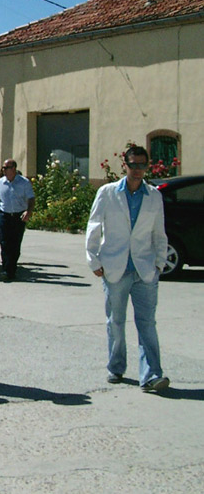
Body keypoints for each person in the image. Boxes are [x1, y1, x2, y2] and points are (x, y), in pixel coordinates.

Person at [85, 145, 170, 393]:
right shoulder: (108, 193)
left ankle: (152, 375)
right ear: (125, 165)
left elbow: (159, 233)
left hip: (145, 270)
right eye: (133, 165)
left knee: (147, 323)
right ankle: (116, 366)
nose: (138, 170)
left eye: (142, 165)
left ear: (147, 166)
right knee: (116, 322)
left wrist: (159, 263)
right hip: (115, 268)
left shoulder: (153, 196)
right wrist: (93, 259)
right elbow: (94, 225)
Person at [0, 159, 36, 282]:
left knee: (15, 243)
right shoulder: (0, 182)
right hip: (4, 215)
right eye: (3, 167)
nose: (3, 170)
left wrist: (28, 212)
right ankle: (6, 270)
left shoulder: (24, 182)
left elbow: (31, 199)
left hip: (18, 216)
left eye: (6, 168)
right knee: (4, 242)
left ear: (13, 168)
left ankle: (11, 268)